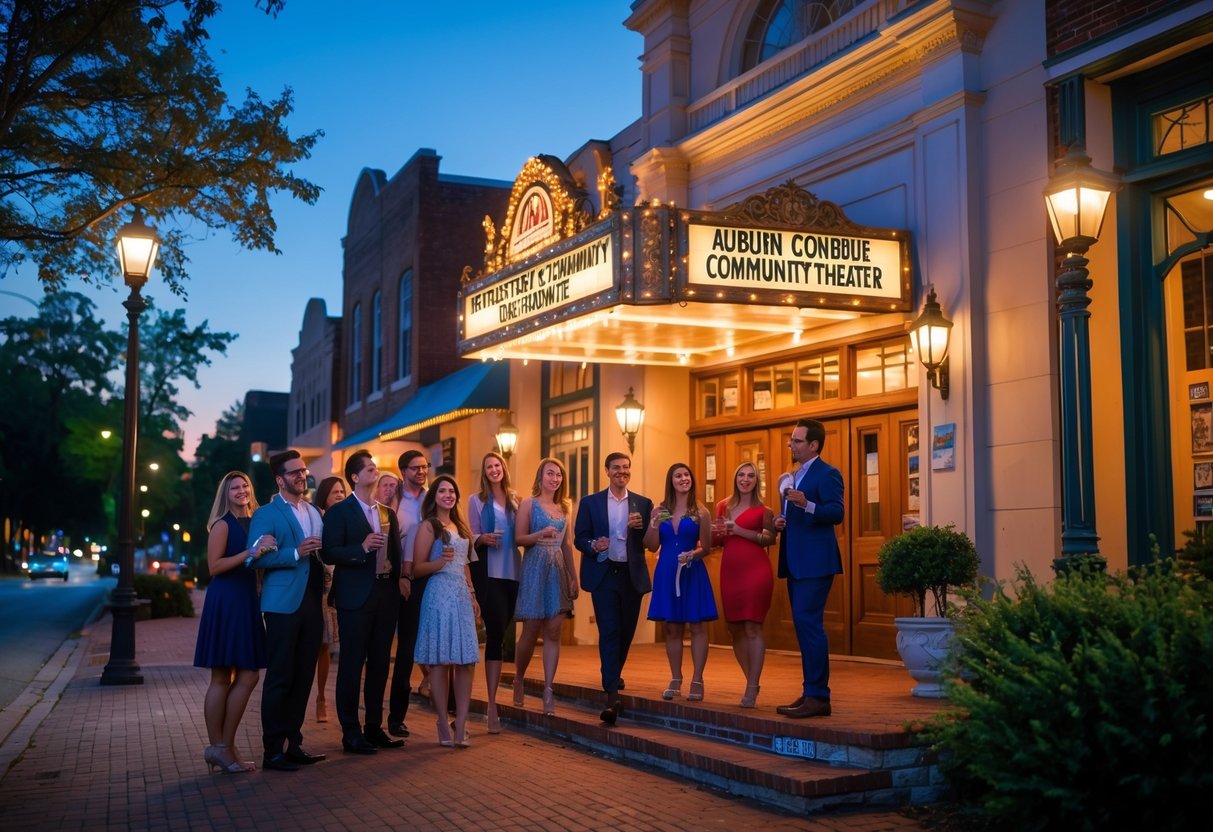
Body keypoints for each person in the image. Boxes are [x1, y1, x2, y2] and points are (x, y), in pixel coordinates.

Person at [320, 450, 406, 754]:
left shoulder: (387, 513)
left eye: (374, 466)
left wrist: (399, 584)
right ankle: (351, 732)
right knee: (352, 664)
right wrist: (361, 547)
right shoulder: (339, 512)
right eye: (369, 467)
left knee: (381, 664)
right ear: (355, 477)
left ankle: (374, 727)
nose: (374, 469)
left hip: (386, 595)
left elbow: (395, 554)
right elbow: (328, 552)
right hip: (355, 596)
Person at [247, 450, 327, 772]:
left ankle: (294, 744)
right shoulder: (266, 514)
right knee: (280, 675)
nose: (301, 476)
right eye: (294, 472)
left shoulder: (315, 512)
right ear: (280, 479)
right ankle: (272, 751)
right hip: (282, 604)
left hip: (312, 601)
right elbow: (256, 558)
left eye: (303, 471)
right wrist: (294, 552)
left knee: (304, 674)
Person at [193, 471, 270, 774]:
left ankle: (225, 746)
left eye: (245, 486)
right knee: (222, 677)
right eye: (235, 487)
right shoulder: (222, 525)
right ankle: (220, 747)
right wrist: (249, 553)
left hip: (249, 599)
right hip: (226, 600)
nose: (241, 491)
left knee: (249, 675)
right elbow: (214, 567)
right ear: (225, 494)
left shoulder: (257, 522)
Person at [574, 451, 653, 725]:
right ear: (607, 471)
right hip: (604, 574)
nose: (622, 472)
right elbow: (579, 538)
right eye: (616, 468)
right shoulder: (590, 503)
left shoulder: (643, 503)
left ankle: (613, 673)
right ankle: (611, 694)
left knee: (627, 631)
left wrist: (644, 528)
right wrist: (593, 545)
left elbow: (649, 540)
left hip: (630, 575)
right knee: (609, 630)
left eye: (626, 467)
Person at [774, 418, 844, 719]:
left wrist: (808, 504)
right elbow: (796, 516)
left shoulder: (828, 474)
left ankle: (819, 697)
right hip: (795, 561)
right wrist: (781, 520)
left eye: (797, 440)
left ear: (813, 445)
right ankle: (810, 692)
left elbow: (837, 512)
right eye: (791, 440)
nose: (792, 444)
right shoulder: (794, 476)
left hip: (816, 562)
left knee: (810, 625)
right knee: (803, 627)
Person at [412, 474, 480, 747]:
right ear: (434, 496)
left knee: (466, 660)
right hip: (438, 594)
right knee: (440, 660)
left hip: (462, 595)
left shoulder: (462, 527)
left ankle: (461, 722)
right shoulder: (429, 526)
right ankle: (442, 719)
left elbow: (465, 564)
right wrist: (439, 561)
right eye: (442, 491)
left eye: (452, 491)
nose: (448, 495)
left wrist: (473, 594)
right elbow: (416, 568)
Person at [513, 457, 578, 717]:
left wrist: (574, 577)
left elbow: (567, 544)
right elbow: (518, 538)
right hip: (534, 565)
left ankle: (548, 689)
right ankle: (519, 678)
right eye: (550, 473)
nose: (555, 478)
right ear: (540, 477)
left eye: (559, 475)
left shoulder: (565, 507)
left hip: (558, 568)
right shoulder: (528, 504)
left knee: (554, 631)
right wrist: (539, 535)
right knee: (531, 630)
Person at [644, 463, 715, 702]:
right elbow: (652, 545)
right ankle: (675, 677)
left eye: (687, 474)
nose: (683, 478)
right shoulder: (659, 510)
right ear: (671, 481)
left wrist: (692, 555)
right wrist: (654, 524)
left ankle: (697, 678)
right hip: (666, 571)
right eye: (678, 475)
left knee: (696, 626)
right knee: (672, 627)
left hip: (691, 572)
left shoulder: (701, 512)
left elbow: (707, 547)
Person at [714, 461, 776, 708]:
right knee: (734, 628)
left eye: (751, 476)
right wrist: (714, 530)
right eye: (741, 474)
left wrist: (738, 529)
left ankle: (752, 686)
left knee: (752, 626)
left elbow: (769, 539)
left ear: (756, 481)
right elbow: (718, 540)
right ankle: (751, 679)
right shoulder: (722, 506)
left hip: (756, 571)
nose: (746, 479)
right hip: (730, 570)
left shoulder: (764, 510)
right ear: (735, 478)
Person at [467, 451, 521, 733]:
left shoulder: (515, 499)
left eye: (497, 465)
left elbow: (523, 532)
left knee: (504, 628)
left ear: (503, 468)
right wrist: (482, 538)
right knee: (497, 633)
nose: (493, 470)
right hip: (489, 575)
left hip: (513, 573)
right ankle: (491, 705)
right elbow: (469, 536)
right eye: (488, 466)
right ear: (484, 472)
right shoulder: (476, 501)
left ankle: (494, 700)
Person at [388, 449, 429, 737]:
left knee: (414, 645)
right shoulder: (393, 499)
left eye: (425, 467)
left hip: (426, 576)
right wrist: (401, 574)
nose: (421, 472)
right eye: (415, 468)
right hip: (395, 579)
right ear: (403, 470)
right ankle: (393, 718)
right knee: (401, 650)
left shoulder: (431, 498)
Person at [311, 476, 346, 723]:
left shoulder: (349, 519)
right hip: (318, 588)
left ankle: (322, 697)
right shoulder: (316, 521)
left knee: (325, 647)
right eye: (335, 492)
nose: (340, 495)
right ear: (324, 496)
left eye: (343, 491)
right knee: (313, 646)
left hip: (339, 587)